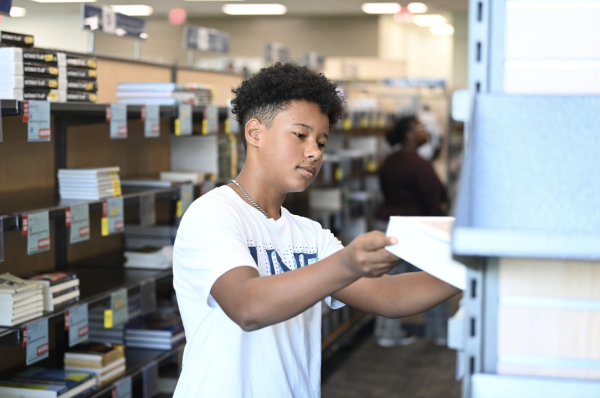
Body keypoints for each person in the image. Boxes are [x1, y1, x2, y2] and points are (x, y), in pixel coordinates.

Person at [172, 63, 460, 397]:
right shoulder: (212, 214)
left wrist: (475, 265)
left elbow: (388, 295)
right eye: (300, 135)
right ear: (255, 133)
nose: (314, 152)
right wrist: (348, 264)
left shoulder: (309, 234)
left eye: (321, 142)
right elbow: (247, 307)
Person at [374, 114, 450, 347]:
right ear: (409, 134)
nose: (425, 132)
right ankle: (440, 333)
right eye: (419, 128)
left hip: (389, 226)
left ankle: (387, 333)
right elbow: (435, 199)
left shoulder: (389, 162)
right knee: (432, 282)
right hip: (418, 229)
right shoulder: (420, 165)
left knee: (387, 283)